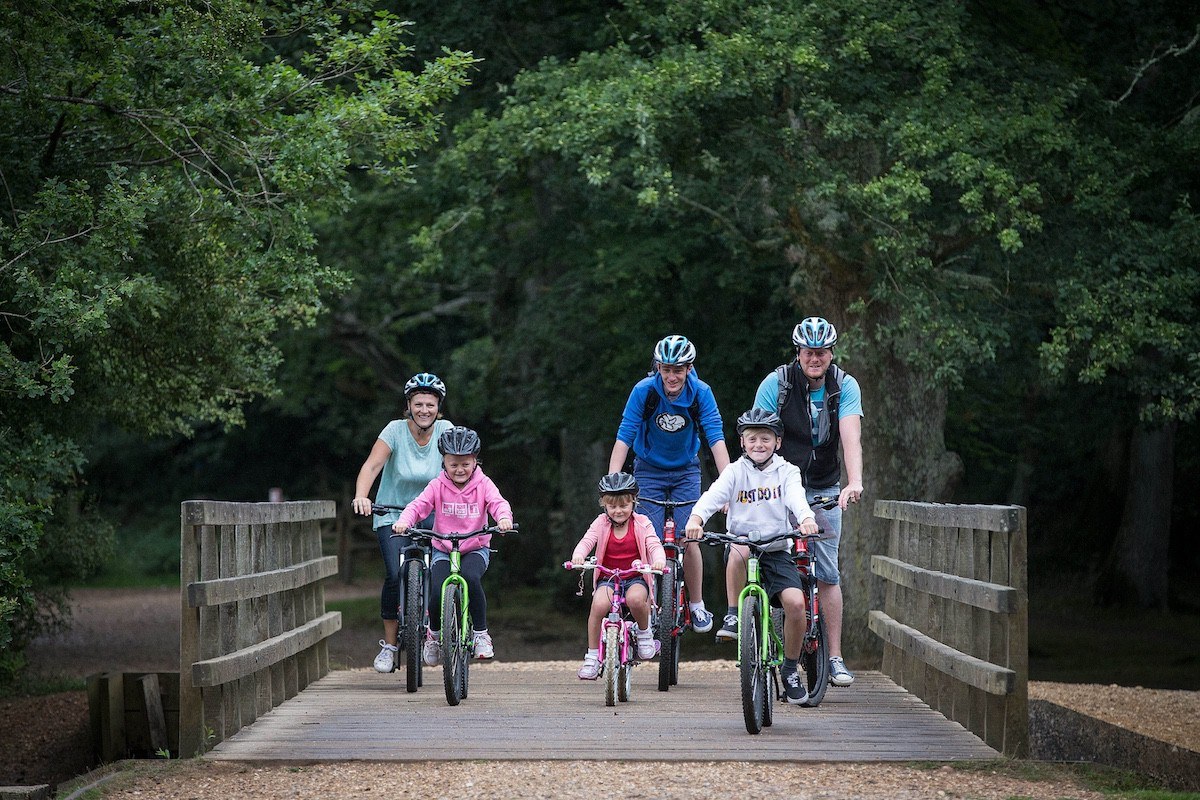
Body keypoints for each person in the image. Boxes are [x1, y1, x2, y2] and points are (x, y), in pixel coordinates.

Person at [727, 316, 863, 688]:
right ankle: (758, 631)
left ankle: (834, 657)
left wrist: (855, 482)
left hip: (824, 485)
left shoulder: (845, 386)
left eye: (821, 352)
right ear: (798, 353)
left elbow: (850, 437)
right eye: (808, 351)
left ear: (831, 353)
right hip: (779, 484)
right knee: (762, 553)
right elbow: (757, 437)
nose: (814, 358)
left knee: (827, 571)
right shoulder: (778, 384)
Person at [685, 408, 820, 703]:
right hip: (742, 548)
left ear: (778, 442)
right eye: (752, 439)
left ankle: (790, 669)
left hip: (776, 551)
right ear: (743, 443)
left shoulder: (787, 471)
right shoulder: (735, 471)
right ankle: (733, 615)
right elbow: (713, 496)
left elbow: (797, 498)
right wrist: (696, 519)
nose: (759, 444)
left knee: (796, 605)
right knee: (739, 548)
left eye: (765, 439)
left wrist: (806, 518)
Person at [608, 334, 730, 633]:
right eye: (667, 369)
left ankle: (697, 604)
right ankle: (646, 604)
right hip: (648, 470)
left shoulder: (701, 393)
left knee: (690, 537)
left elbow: (715, 438)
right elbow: (625, 434)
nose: (672, 376)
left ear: (689, 369)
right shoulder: (644, 392)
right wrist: (614, 483)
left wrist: (729, 487)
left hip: (686, 470)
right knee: (647, 541)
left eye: (679, 369)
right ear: (658, 368)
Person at [351, 373, 453, 674]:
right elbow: (372, 465)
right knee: (395, 575)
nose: (424, 410)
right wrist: (362, 496)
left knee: (440, 574)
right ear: (408, 405)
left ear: (438, 407)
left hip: (436, 515)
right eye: (418, 404)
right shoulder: (395, 431)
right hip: (393, 514)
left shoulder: (446, 431)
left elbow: (464, 467)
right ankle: (391, 646)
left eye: (430, 405)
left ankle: (432, 635)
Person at [393, 425, 514, 664]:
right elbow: (418, 506)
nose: (460, 469)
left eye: (465, 464)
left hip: (475, 547)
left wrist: (503, 519)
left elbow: (498, 503)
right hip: (443, 548)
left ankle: (480, 634)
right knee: (437, 589)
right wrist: (404, 522)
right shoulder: (437, 485)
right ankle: (434, 635)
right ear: (444, 463)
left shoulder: (483, 483)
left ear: (475, 462)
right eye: (454, 464)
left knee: (471, 578)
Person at [570, 472, 667, 680]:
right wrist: (578, 556)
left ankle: (644, 633)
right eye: (612, 506)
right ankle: (593, 656)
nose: (618, 511)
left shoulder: (642, 523)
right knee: (598, 606)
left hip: (636, 576)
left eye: (623, 506)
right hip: (608, 578)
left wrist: (658, 560)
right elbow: (587, 541)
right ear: (604, 505)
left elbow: (654, 544)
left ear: (633, 502)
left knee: (636, 599)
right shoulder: (600, 523)